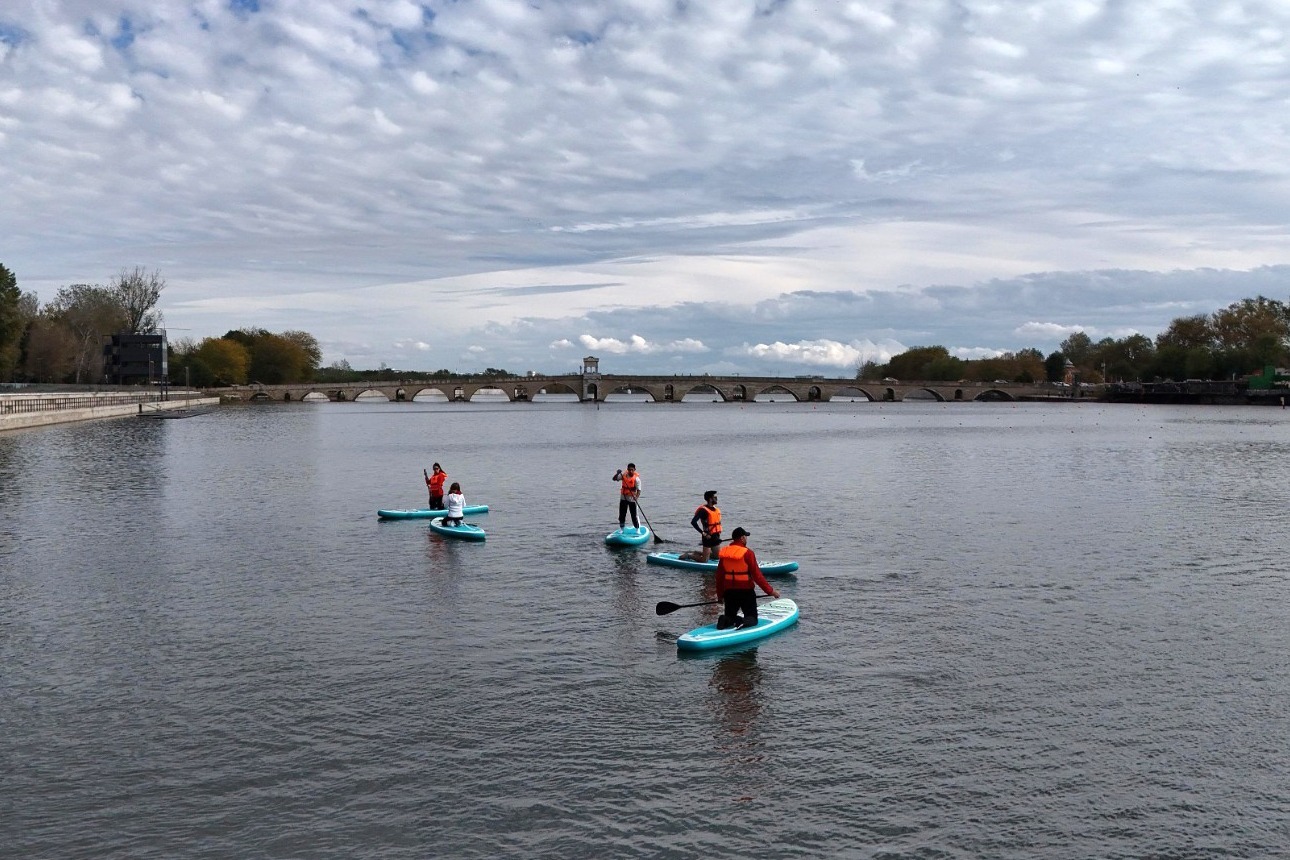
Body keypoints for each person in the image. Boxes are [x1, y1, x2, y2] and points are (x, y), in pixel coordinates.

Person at [714, 527, 779, 630]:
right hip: (746, 592)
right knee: (752, 618)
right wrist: (771, 591)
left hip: (729, 593)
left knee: (730, 616)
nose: (746, 539)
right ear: (742, 538)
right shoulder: (748, 553)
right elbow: (757, 576)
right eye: (745, 537)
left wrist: (720, 596)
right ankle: (743, 621)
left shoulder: (724, 554)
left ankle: (725, 619)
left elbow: (719, 577)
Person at [680, 490, 721, 561]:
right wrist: (703, 533)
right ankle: (689, 556)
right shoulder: (703, 510)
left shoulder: (716, 509)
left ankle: (698, 553)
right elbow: (693, 522)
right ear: (710, 499)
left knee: (717, 556)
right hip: (707, 536)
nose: (716, 499)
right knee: (704, 560)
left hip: (716, 536)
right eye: (715, 497)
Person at [612, 463, 641, 528]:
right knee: (622, 516)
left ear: (634, 470)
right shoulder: (623, 475)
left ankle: (637, 529)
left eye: (632, 470)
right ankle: (622, 529)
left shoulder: (637, 479)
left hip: (632, 499)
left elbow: (639, 490)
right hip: (623, 498)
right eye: (629, 470)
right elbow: (614, 479)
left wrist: (636, 497)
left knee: (634, 516)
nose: (631, 471)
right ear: (627, 469)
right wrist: (617, 473)